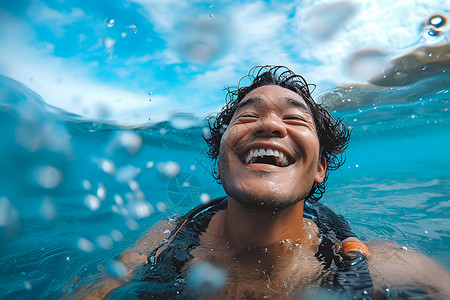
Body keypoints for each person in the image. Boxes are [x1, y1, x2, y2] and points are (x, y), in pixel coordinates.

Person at [73, 66, 450, 299]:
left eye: (296, 119)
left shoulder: (380, 265)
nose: (269, 125)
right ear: (220, 164)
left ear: (320, 167)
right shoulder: (166, 241)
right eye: (247, 116)